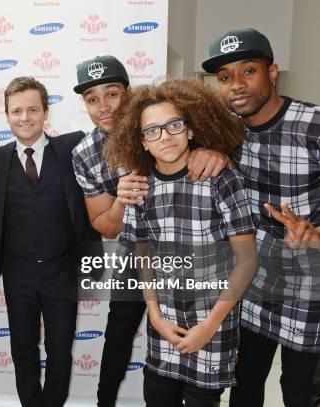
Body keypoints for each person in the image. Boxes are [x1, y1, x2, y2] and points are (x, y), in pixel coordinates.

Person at [70, 55, 229, 406]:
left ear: (129, 92)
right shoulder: (84, 153)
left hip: (189, 250)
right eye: (92, 98)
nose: (103, 106)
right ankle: (104, 402)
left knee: (193, 335)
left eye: (111, 93)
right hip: (135, 251)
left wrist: (219, 153)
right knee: (119, 333)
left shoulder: (167, 123)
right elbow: (105, 227)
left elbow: (224, 143)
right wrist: (120, 200)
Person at [105, 78, 257, 407]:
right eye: (152, 130)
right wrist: (156, 317)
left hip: (212, 325)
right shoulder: (140, 187)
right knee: (157, 397)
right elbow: (142, 257)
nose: (165, 136)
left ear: (190, 129)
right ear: (141, 141)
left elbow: (247, 261)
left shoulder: (221, 179)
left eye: (174, 124)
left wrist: (210, 324)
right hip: (165, 324)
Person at [202, 27, 320, 407]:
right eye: (225, 77)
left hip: (310, 282)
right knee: (245, 380)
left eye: (248, 70)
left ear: (272, 71)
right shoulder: (224, 130)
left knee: (299, 389)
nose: (236, 85)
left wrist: (316, 235)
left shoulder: (313, 125)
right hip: (254, 279)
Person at [0, 76, 100, 406]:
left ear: (45, 113)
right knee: (22, 349)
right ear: (7, 115)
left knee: (60, 350)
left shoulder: (72, 149)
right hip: (17, 273)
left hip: (61, 273)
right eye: (17, 111)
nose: (25, 118)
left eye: (33, 109)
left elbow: (112, 136)